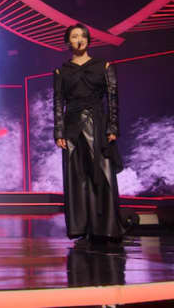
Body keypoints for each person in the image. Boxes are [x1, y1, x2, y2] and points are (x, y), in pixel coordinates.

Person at [53, 23, 124, 245]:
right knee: (77, 176)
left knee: (102, 172)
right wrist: (59, 131)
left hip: (98, 123)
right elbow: (58, 102)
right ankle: (81, 227)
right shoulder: (61, 71)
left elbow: (112, 98)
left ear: (88, 40)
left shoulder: (103, 66)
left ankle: (107, 227)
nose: (79, 39)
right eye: (75, 36)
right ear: (68, 42)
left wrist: (113, 127)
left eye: (83, 36)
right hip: (72, 126)